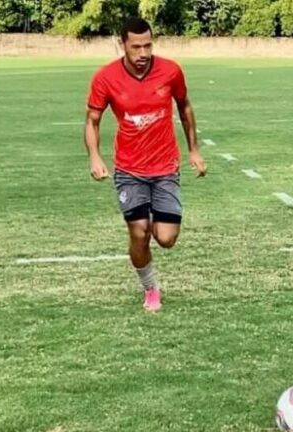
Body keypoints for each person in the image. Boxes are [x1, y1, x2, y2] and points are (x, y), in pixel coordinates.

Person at [84, 17, 207, 312]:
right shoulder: (106, 78)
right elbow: (92, 120)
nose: (143, 53)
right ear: (122, 45)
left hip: (165, 167)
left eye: (148, 45)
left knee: (165, 238)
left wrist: (194, 149)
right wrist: (94, 155)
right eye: (136, 47)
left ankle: (153, 220)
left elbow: (185, 105)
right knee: (138, 231)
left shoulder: (171, 71)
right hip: (129, 170)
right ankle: (151, 289)